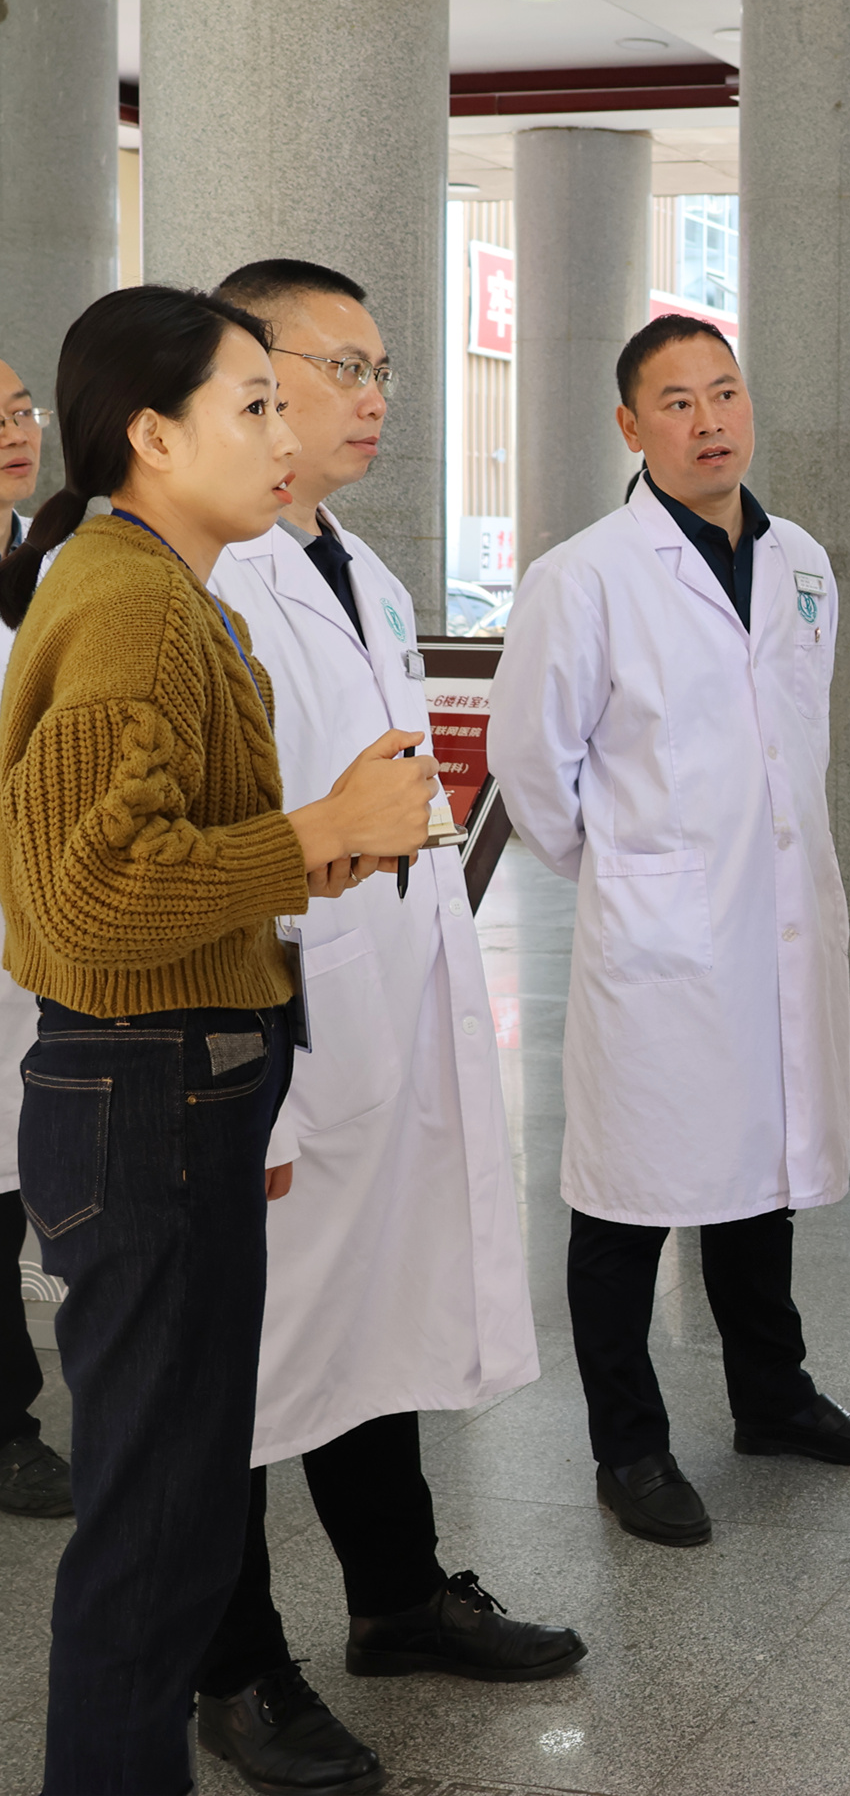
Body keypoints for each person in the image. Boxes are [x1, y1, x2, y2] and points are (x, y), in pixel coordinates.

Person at [0, 285, 435, 1796]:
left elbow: (162, 852)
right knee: (155, 1525)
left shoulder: (162, 585)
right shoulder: (128, 599)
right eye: (254, 406)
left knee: (176, 1513)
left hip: (181, 1080)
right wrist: (313, 829)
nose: (284, 436)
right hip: (149, 1088)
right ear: (153, 434)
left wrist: (310, 853)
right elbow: (89, 889)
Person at [192, 261, 580, 1794]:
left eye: (382, 370)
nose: (372, 398)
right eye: (339, 366)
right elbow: (208, 855)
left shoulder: (359, 565)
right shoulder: (208, 579)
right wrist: (260, 1093)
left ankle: (397, 1595)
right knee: (236, 1365)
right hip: (265, 1041)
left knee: (369, 1320)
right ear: (246, 374)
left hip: (382, 1009)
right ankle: (234, 1664)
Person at [488, 314, 850, 1553]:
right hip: (658, 939)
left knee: (758, 1178)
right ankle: (629, 1447)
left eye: (725, 393)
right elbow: (531, 766)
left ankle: (773, 1399)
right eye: (676, 402)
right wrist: (633, 870)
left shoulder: (803, 562)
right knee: (628, 1199)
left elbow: (792, 737)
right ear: (631, 426)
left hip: (774, 920)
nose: (709, 420)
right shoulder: (584, 576)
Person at [0, 359, 71, 1521]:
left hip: (50, 917)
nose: (16, 431)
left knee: (28, 1176)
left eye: (20, 412)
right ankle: (7, 1424)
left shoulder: (64, 564)